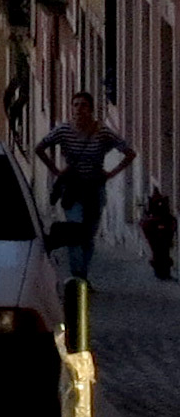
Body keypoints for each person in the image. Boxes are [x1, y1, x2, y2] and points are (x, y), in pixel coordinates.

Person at [36, 91, 135, 280]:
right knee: (75, 232)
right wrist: (56, 171)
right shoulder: (63, 130)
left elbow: (129, 153)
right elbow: (40, 148)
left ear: (90, 109)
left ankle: (84, 274)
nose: (79, 109)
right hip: (73, 189)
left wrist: (110, 174)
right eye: (76, 105)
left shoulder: (102, 132)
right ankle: (77, 277)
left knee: (88, 235)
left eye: (83, 105)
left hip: (94, 188)